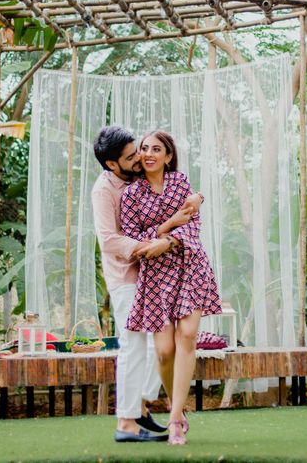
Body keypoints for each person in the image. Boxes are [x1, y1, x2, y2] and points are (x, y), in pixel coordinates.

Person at [91, 126, 202, 444]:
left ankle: (139, 404)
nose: (140, 157)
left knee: (159, 347)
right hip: (126, 275)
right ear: (113, 164)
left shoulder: (138, 179)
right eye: (132, 156)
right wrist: (155, 242)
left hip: (156, 275)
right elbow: (109, 241)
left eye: (140, 150)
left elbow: (175, 194)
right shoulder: (104, 190)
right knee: (134, 345)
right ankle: (126, 422)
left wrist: (196, 198)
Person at [121, 130, 222, 446]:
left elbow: (193, 223)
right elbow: (133, 235)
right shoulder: (131, 194)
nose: (149, 153)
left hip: (189, 264)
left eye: (156, 149)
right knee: (164, 351)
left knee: (187, 337)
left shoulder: (181, 183)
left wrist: (168, 239)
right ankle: (175, 405)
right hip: (155, 278)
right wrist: (165, 227)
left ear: (167, 155)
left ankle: (176, 419)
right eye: (144, 149)